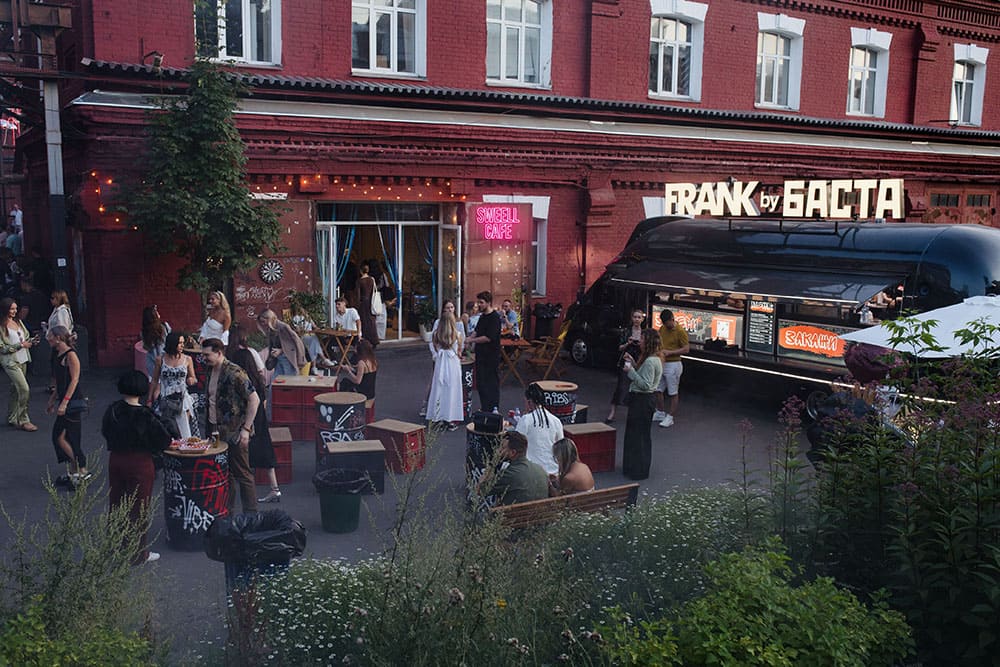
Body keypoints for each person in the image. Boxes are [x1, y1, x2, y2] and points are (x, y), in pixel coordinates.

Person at [102, 370, 172, 564]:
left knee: (117, 504)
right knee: (138, 508)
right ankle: (138, 553)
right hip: (140, 462)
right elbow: (163, 440)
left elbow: (105, 432)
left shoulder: (113, 410)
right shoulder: (145, 415)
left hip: (116, 459)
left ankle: (114, 547)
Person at [202, 337, 260, 513]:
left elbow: (254, 399)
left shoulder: (235, 373)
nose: (204, 358)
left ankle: (251, 514)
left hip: (234, 430)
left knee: (242, 472)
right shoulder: (210, 370)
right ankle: (227, 512)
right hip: (215, 429)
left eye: (207, 355)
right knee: (224, 472)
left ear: (219, 353)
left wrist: (246, 429)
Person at [227, 324, 281, 504]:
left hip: (243, 411)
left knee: (241, 450)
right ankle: (274, 488)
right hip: (258, 409)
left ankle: (239, 490)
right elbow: (261, 375)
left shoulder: (233, 357)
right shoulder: (250, 354)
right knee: (264, 446)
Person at [46, 325, 89, 487]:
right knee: (65, 436)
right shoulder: (57, 355)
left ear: (58, 338)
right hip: (65, 401)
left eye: (50, 336)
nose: (48, 339)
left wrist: (64, 402)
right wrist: (52, 400)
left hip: (72, 402)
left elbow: (74, 380)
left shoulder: (71, 355)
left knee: (62, 436)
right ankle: (74, 471)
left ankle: (81, 469)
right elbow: (60, 381)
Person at [622, 329, 663, 480]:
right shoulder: (653, 359)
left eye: (643, 339)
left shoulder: (651, 361)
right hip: (644, 400)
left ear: (648, 342)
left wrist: (630, 371)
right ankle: (636, 467)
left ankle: (637, 469)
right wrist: (634, 363)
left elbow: (646, 384)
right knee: (640, 434)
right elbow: (645, 375)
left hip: (642, 400)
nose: (640, 342)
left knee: (637, 435)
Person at [147, 330, 197, 439]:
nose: (182, 345)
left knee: (184, 431)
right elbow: (154, 380)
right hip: (165, 398)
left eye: (183, 342)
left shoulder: (187, 359)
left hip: (182, 399)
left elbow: (193, 377)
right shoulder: (160, 359)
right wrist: (149, 399)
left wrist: (191, 380)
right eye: (180, 343)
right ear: (173, 344)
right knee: (166, 430)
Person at [0, 297, 38, 431]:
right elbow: (2, 349)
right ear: (5, 309)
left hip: (23, 359)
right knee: (24, 388)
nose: (15, 311)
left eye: (16, 308)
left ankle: (12, 417)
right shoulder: (1, 326)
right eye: (12, 309)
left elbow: (24, 338)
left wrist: (31, 341)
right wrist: (20, 345)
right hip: (10, 362)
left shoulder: (18, 321)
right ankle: (23, 419)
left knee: (15, 389)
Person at [481, 431, 548, 506]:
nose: (498, 450)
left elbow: (479, 490)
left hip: (512, 513)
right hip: (540, 512)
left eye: (502, 448)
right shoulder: (540, 470)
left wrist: (493, 463)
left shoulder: (509, 474)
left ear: (513, 452)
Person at [426, 310, 463, 430]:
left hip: (441, 362)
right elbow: (459, 351)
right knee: (453, 390)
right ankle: (450, 418)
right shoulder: (457, 334)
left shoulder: (436, 334)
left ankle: (438, 417)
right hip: (453, 363)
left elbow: (435, 348)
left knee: (439, 389)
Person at [516, 382, 564, 476]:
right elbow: (561, 447)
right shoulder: (556, 421)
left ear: (529, 402)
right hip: (554, 471)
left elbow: (516, 443)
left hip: (533, 472)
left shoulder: (526, 420)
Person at [606, 309, 644, 424]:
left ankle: (633, 414)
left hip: (638, 360)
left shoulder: (644, 332)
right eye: (635, 317)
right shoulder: (627, 331)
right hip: (626, 359)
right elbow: (619, 347)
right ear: (632, 318)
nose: (637, 319)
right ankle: (612, 413)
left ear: (642, 319)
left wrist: (640, 344)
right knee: (621, 385)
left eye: (639, 317)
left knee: (636, 386)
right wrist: (628, 343)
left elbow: (647, 348)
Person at [467, 291, 501, 413]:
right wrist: (469, 339)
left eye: (481, 302)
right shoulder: (482, 317)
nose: (479, 305)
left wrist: (472, 340)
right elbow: (477, 331)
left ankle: (493, 407)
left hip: (491, 355)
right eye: (478, 302)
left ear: (488, 303)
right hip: (481, 354)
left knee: (491, 382)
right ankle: (485, 407)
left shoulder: (495, 318)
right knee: (481, 382)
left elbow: (488, 337)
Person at [654, 309, 689, 428]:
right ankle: (660, 412)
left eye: (667, 323)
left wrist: (670, 352)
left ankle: (670, 417)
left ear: (672, 319)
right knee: (658, 389)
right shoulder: (662, 328)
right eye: (663, 323)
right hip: (662, 362)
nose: (666, 325)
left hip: (674, 364)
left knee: (673, 392)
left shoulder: (680, 331)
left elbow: (686, 349)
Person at [256, 309, 307, 377]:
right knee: (277, 380)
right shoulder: (271, 329)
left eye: (263, 321)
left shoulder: (283, 327)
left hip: (288, 358)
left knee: (289, 380)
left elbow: (295, 341)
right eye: (261, 322)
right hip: (278, 359)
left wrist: (281, 351)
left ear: (269, 318)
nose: (262, 324)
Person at [140, 305, 170, 379]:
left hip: (152, 362)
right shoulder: (165, 327)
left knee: (154, 382)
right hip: (166, 360)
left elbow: (146, 347)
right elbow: (170, 341)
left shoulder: (143, 332)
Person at [357, 262, 379, 347]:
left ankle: (365, 340)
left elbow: (358, 295)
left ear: (360, 271)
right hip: (371, 302)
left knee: (364, 321)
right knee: (371, 321)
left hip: (363, 303)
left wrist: (357, 305)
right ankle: (374, 340)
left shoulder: (360, 281)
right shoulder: (371, 279)